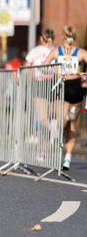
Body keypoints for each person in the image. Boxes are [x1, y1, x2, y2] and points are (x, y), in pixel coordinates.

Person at [44, 25, 87, 170]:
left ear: (63, 37)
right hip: (71, 87)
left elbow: (43, 66)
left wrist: (54, 72)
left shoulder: (57, 51)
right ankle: (65, 155)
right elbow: (45, 66)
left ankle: (60, 152)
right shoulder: (80, 52)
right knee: (69, 123)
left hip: (67, 86)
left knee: (65, 122)